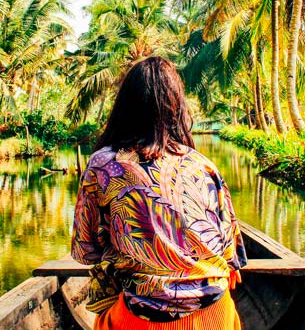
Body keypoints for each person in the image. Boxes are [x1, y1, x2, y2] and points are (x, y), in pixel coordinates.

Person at [71, 56, 247, 330]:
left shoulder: (102, 165)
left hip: (143, 318)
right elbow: (231, 256)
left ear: (124, 107)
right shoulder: (203, 165)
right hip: (215, 314)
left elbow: (86, 252)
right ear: (177, 108)